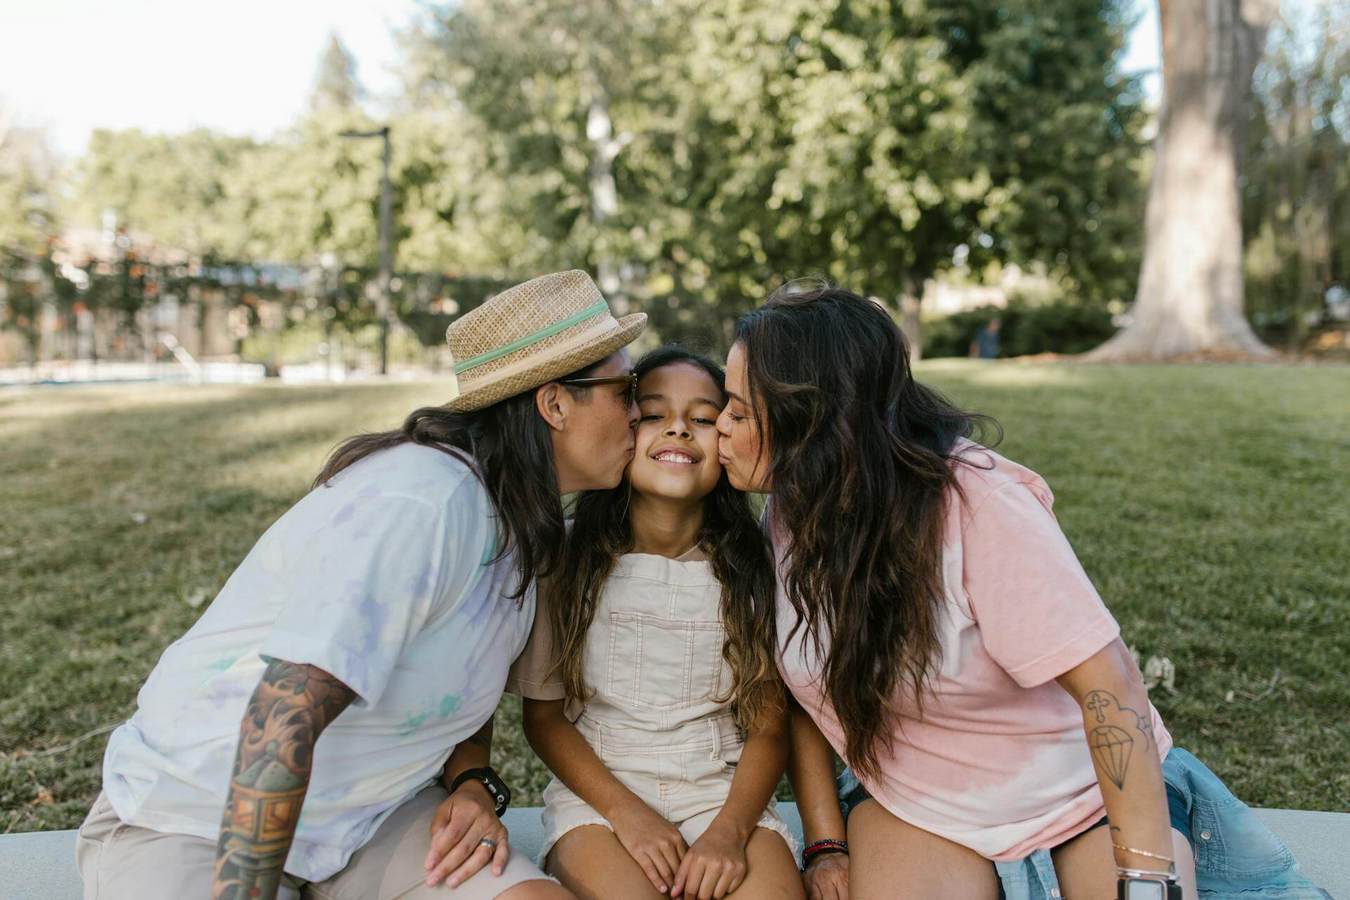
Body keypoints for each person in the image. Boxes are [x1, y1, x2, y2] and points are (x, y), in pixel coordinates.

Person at [715, 282, 1327, 900]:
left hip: (1078, 797)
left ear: (814, 422)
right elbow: (807, 696)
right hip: (918, 806)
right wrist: (827, 845)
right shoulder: (791, 513)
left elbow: (1110, 688)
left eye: (738, 412)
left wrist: (1145, 880)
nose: (719, 426)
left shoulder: (979, 508)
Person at [76, 270, 646, 900]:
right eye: (626, 388)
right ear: (555, 403)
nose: (640, 411)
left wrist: (472, 783)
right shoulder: (422, 502)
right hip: (201, 816)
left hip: (372, 817)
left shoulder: (522, 523)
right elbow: (282, 712)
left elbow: (463, 686)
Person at [507, 346, 803, 900]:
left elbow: (767, 726)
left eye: (703, 418)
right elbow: (544, 721)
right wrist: (628, 816)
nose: (678, 431)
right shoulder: (566, 560)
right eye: (652, 415)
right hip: (600, 796)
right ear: (623, 431)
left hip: (719, 789)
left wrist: (732, 830)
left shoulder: (751, 567)